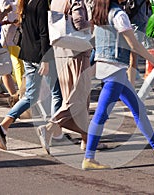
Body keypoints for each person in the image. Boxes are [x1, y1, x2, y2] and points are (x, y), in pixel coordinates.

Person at [81, 0, 154, 170]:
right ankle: (89, 157)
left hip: (106, 66)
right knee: (101, 115)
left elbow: (94, 39)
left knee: (138, 108)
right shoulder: (119, 15)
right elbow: (134, 45)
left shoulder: (99, 13)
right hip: (116, 69)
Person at [36, 0, 108, 154]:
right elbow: (79, 22)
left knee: (78, 98)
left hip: (62, 51)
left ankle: (86, 140)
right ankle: (49, 127)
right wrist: (96, 23)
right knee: (78, 97)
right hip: (77, 53)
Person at [0, 0, 62, 151]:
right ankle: (52, 132)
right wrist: (46, 59)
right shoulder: (40, 3)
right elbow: (44, 33)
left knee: (31, 96)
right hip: (41, 56)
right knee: (57, 94)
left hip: (27, 54)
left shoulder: (25, 2)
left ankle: (4, 125)